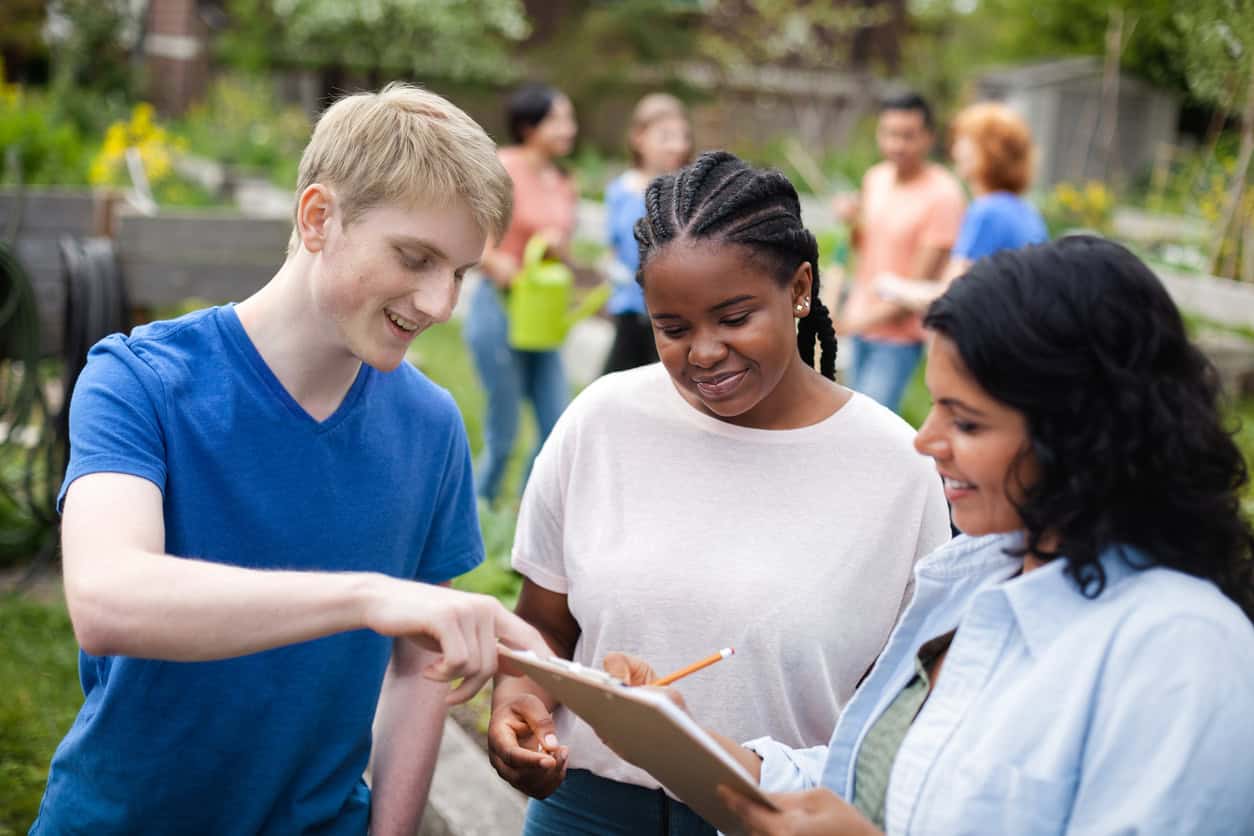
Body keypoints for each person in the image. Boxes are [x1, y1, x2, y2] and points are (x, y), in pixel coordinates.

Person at [30, 84, 549, 836]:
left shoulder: (430, 425)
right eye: (415, 257)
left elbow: (416, 670)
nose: (440, 302)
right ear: (318, 218)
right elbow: (108, 601)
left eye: (461, 272)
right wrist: (368, 597)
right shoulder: (139, 380)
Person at [624, 237, 1254, 835]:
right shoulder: (973, 576)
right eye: (935, 405)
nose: (925, 442)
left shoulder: (1181, 653)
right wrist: (686, 741)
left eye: (969, 423)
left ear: (1085, 435)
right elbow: (874, 784)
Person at [487, 151, 952, 835]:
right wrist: (519, 699)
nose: (702, 352)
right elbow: (546, 624)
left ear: (799, 288)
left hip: (780, 820)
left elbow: (913, 706)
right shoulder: (602, 421)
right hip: (584, 811)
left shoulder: (897, 469)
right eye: (672, 328)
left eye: (734, 318)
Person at [465, 83, 580, 503]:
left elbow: (564, 251)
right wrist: (496, 262)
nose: (570, 128)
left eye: (571, 119)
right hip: (499, 308)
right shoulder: (504, 167)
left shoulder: (565, 180)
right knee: (504, 433)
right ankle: (478, 517)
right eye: (559, 119)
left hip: (542, 312)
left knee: (557, 425)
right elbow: (471, 231)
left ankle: (527, 518)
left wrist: (558, 250)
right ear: (529, 125)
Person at [833, 92, 964, 414]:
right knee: (847, 421)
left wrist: (852, 323)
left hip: (898, 336)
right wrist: (852, 220)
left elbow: (916, 289)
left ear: (929, 138)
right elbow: (861, 248)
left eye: (908, 136)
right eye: (890, 133)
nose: (897, 145)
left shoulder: (944, 195)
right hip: (859, 321)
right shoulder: (875, 178)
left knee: (869, 429)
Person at [871, 102, 1048, 315]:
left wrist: (890, 286)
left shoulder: (988, 212)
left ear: (988, 152)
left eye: (964, 142)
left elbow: (949, 297)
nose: (955, 151)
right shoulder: (1023, 210)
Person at [602, 92, 693, 374]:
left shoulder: (687, 191)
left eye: (683, 136)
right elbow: (614, 250)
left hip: (674, 316)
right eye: (666, 136)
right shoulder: (619, 191)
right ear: (639, 138)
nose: (677, 146)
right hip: (630, 312)